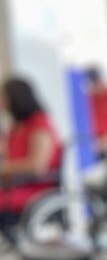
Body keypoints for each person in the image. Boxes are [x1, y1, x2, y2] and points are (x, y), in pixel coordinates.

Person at [0, 77, 64, 237]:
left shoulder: (39, 124)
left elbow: (37, 166)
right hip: (15, 186)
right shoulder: (15, 128)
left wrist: (4, 168)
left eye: (3, 97)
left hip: (36, 188)